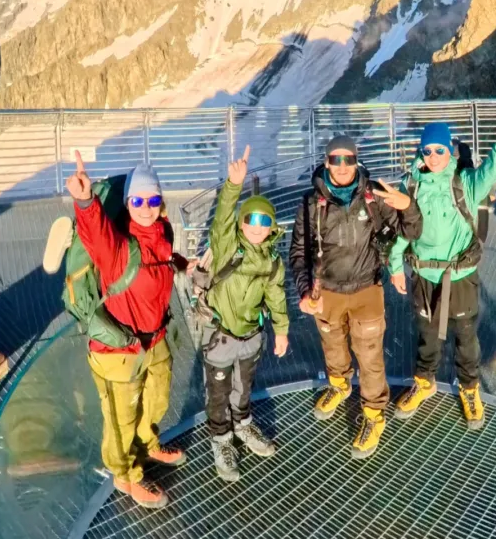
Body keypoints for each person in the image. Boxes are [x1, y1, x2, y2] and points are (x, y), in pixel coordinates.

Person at [66, 152, 194, 510]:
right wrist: (85, 201)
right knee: (121, 420)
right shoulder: (117, 246)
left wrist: (180, 263)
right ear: (127, 203)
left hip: (155, 339)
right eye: (137, 201)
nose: (145, 208)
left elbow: (161, 258)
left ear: (161, 202)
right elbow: (95, 233)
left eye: (152, 200)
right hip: (118, 351)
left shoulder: (163, 232)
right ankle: (127, 476)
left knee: (157, 399)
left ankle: (148, 445)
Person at [289, 134, 422, 459]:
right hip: (327, 291)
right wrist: (305, 290)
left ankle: (374, 415)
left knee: (370, 356)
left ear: (357, 160)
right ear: (326, 162)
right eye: (336, 159)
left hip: (366, 289)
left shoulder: (374, 196)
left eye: (348, 159)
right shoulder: (310, 203)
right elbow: (299, 253)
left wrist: (408, 207)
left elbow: (411, 232)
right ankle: (339, 385)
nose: (342, 166)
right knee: (332, 345)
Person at [389, 112, 496, 430]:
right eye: (427, 150)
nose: (433, 156)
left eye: (440, 150)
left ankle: (469, 387)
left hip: (459, 276)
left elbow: (490, 171)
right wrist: (395, 267)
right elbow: (401, 230)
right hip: (423, 276)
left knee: (465, 336)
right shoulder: (409, 185)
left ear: (450, 151)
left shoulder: (464, 183)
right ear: (421, 151)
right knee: (427, 334)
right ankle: (424, 382)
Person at [200, 145, 289, 483]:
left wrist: (282, 330)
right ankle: (221, 441)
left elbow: (276, 295)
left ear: (271, 227)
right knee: (218, 393)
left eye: (264, 221)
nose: (256, 225)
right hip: (221, 336)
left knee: (243, 387)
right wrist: (233, 186)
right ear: (241, 223)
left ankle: (244, 426)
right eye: (250, 218)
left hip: (251, 336)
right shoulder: (228, 247)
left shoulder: (272, 260)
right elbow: (221, 219)